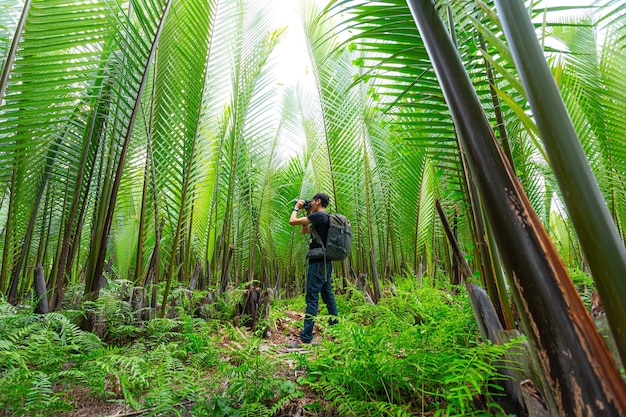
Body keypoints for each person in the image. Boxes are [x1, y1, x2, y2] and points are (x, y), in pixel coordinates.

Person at [289, 192, 338, 345]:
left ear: (318, 201)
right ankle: (337, 333)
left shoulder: (319, 216)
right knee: (328, 298)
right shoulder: (325, 218)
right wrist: (308, 212)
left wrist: (296, 207)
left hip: (316, 264)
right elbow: (305, 231)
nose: (311, 203)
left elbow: (292, 221)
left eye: (313, 201)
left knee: (312, 299)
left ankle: (305, 338)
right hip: (325, 264)